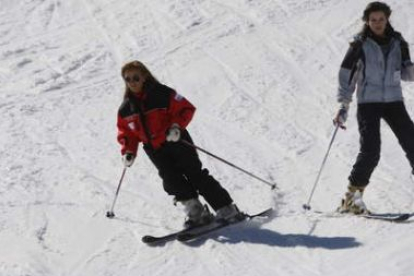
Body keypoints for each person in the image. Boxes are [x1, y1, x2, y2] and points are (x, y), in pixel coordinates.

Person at [116, 60, 242, 227]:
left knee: (195, 174)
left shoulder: (162, 93)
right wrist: (129, 151)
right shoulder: (126, 109)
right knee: (171, 179)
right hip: (154, 149)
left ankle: (226, 208)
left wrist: (176, 127)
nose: (132, 82)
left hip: (176, 140)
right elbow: (128, 133)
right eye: (128, 79)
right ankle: (197, 213)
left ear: (144, 77)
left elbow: (185, 108)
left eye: (136, 78)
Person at [333, 2, 414, 214]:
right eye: (373, 20)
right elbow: (346, 76)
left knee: (412, 141)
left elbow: (407, 73)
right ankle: (351, 198)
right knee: (371, 151)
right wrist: (343, 105)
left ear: (387, 19)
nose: (377, 23)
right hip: (369, 102)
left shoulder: (398, 42)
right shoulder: (360, 45)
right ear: (367, 21)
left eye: (381, 19)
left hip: (394, 100)